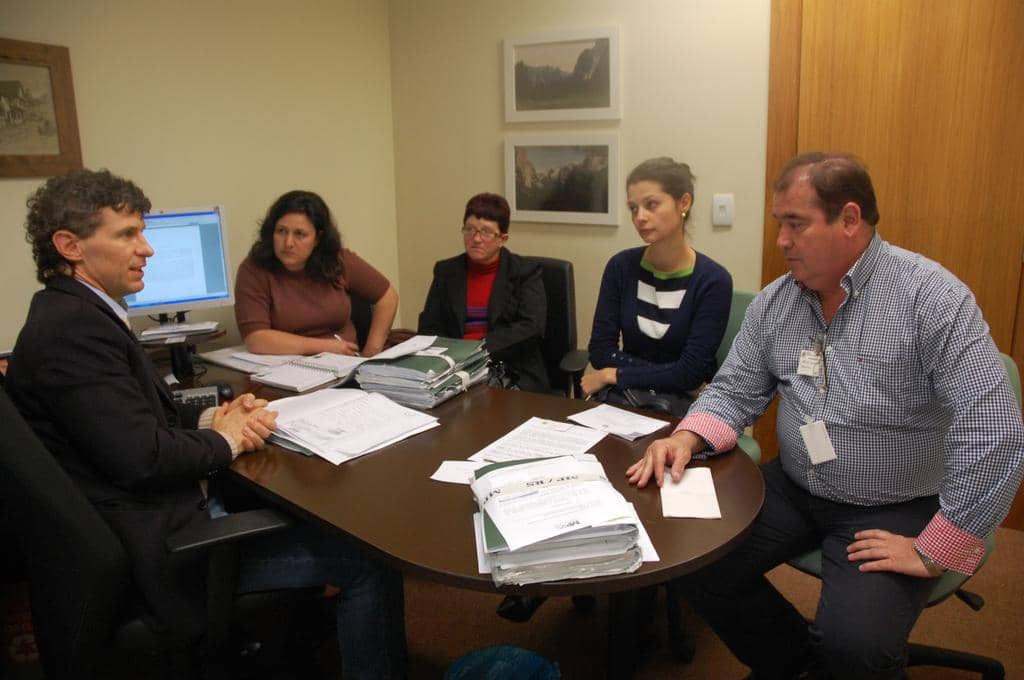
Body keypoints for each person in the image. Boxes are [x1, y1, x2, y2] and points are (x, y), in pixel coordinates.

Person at [627, 152, 1024, 679]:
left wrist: (936, 549)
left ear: (850, 220)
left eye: (796, 224)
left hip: (896, 502)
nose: (782, 241)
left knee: (855, 645)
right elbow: (734, 389)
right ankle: (795, 665)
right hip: (795, 486)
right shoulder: (777, 303)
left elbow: (993, 430)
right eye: (778, 225)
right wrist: (689, 437)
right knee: (692, 563)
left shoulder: (932, 298)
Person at [6, 169, 406, 678]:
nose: (146, 249)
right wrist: (226, 439)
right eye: (127, 234)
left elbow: (138, 422)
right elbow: (144, 457)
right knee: (369, 562)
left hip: (149, 517)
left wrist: (211, 416)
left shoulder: (76, 314)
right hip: (164, 551)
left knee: (296, 506)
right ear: (70, 246)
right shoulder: (73, 332)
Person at [583, 157, 733, 416]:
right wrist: (662, 373)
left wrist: (613, 373)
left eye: (652, 205)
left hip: (684, 409)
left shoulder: (713, 281)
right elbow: (600, 351)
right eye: (633, 208)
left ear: (683, 203)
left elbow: (690, 373)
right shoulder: (620, 267)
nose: (640, 217)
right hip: (627, 402)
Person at [234, 190, 399, 357]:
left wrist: (371, 354)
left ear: (318, 238)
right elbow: (256, 338)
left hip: (343, 363)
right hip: (285, 368)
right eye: (281, 231)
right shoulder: (254, 270)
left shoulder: (338, 260)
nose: (288, 243)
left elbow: (388, 297)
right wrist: (325, 346)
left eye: (300, 234)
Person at [418, 192, 548, 392]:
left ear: (502, 239)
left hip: (509, 370)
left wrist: (475, 352)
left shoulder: (525, 272)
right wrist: (452, 359)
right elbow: (430, 327)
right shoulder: (446, 271)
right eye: (470, 229)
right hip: (452, 370)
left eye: (486, 232)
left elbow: (531, 329)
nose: (476, 239)